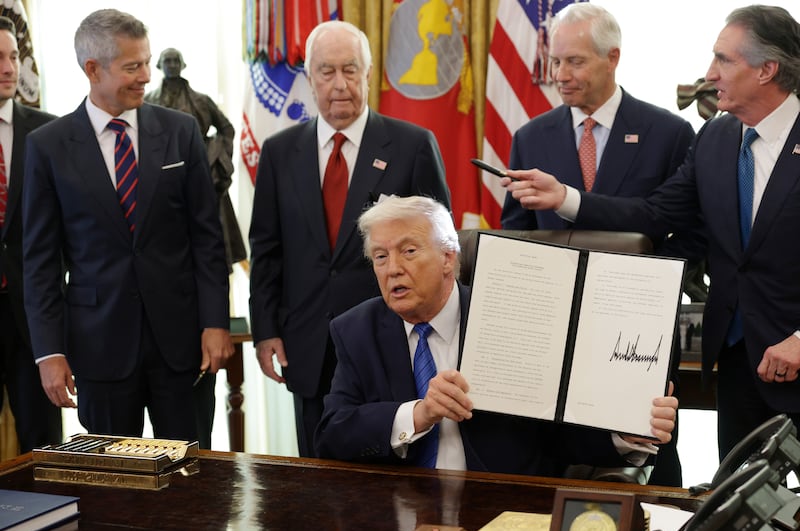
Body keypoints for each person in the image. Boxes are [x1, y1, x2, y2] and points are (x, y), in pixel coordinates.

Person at [503, 5, 800, 462]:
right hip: (738, 358)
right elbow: (655, 214)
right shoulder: (715, 139)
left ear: (767, 69)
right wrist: (565, 197)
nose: (709, 73)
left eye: (723, 59)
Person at [315, 195, 678, 475]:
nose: (393, 269)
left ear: (448, 257)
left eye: (408, 251)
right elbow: (332, 435)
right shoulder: (356, 329)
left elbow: (558, 434)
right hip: (402, 506)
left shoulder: (513, 318)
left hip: (501, 501)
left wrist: (627, 428)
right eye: (380, 257)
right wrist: (419, 414)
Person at [500, 2, 699, 487]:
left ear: (612, 58)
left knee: (645, 446)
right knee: (553, 448)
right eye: (556, 62)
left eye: (575, 61)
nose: (560, 75)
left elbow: (687, 231)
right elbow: (515, 233)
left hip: (637, 331)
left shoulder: (669, 133)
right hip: (552, 327)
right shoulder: (531, 136)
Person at [22, 9, 234, 442]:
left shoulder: (181, 131)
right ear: (93, 70)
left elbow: (207, 238)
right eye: (132, 66)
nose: (145, 76)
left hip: (184, 346)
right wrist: (50, 351)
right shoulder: (47, 147)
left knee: (192, 483)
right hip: (98, 350)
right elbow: (41, 262)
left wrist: (216, 323)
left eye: (147, 62)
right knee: (115, 490)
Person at [249, 20, 451, 457]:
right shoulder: (280, 152)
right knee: (316, 468)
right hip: (306, 341)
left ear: (368, 73)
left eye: (350, 70)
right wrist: (265, 329)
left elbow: (442, 244)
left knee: (388, 461)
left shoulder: (412, 144)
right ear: (309, 77)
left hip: (387, 340)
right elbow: (266, 249)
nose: (339, 84)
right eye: (326, 71)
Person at [144, 47, 245, 449]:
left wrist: (215, 160)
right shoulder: (149, 102)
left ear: (181, 66)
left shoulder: (201, 101)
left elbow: (227, 130)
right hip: (165, 205)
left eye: (174, 62)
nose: (170, 68)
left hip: (207, 191)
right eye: (164, 63)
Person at [0, 15, 61, 452]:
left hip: (33, 318)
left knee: (43, 450)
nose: (8, 68)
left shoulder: (47, 130)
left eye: (13, 57)